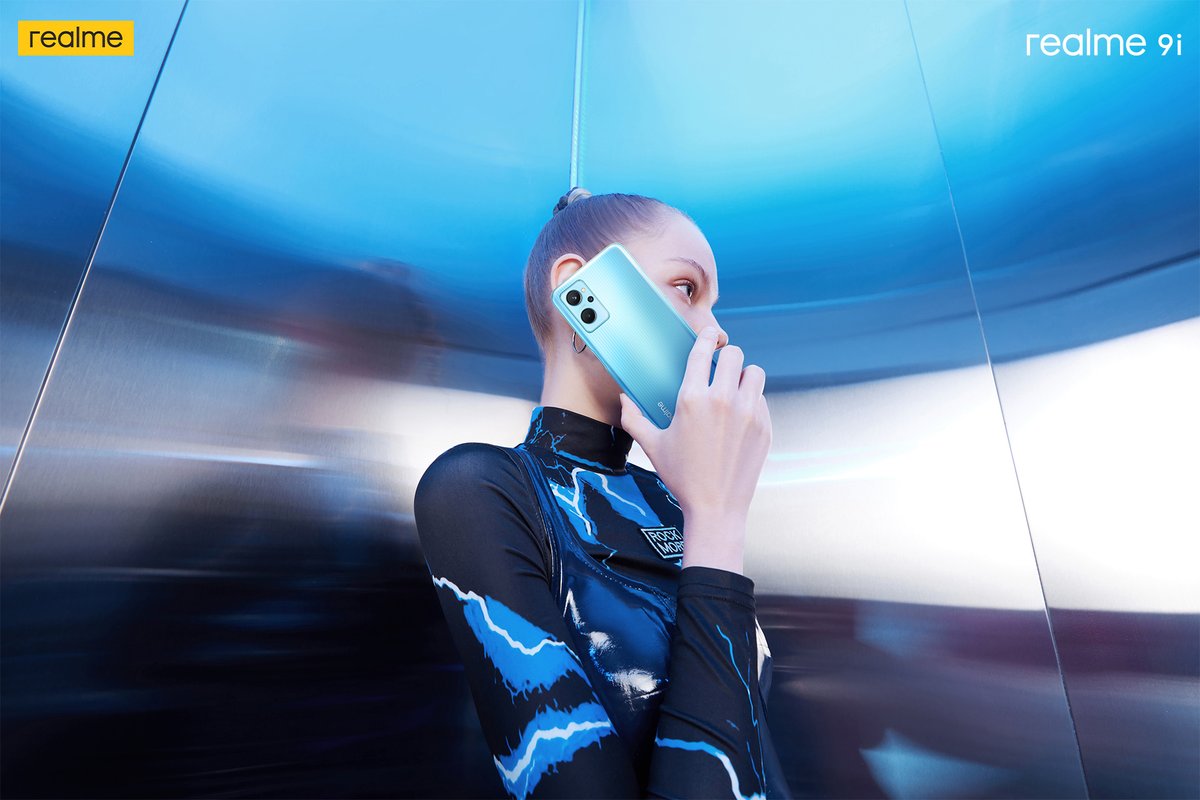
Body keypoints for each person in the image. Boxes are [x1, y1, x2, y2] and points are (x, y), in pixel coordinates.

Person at [414, 187, 791, 799]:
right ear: (580, 289)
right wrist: (717, 516)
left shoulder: (676, 498)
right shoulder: (482, 489)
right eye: (687, 289)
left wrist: (711, 510)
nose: (717, 333)